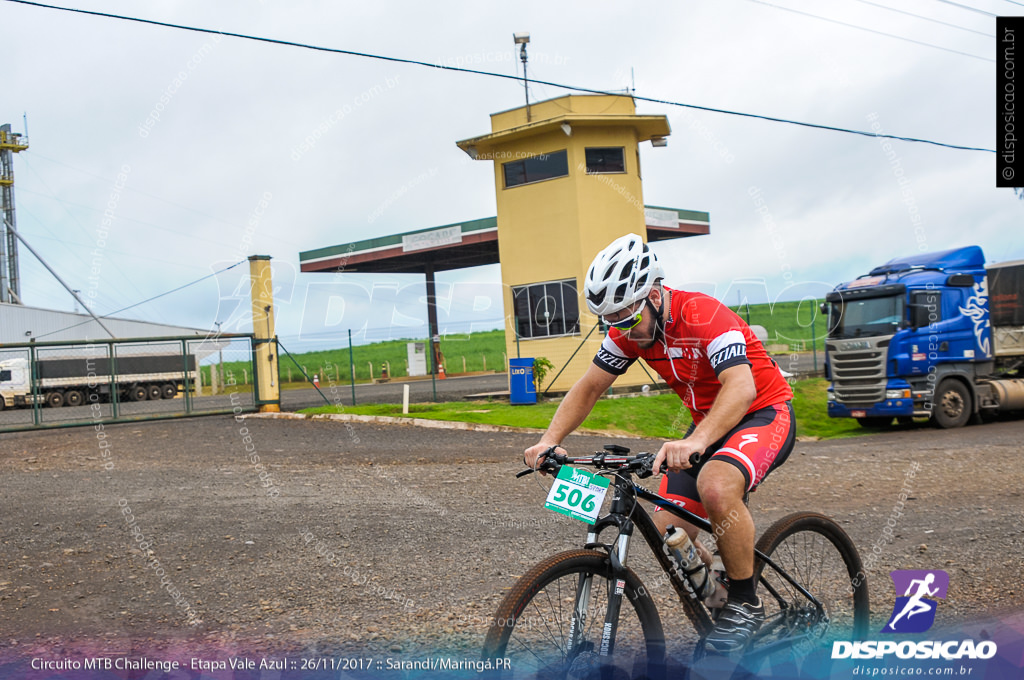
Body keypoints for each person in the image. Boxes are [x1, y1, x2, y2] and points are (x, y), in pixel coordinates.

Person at [523, 233, 796, 654]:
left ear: (653, 295)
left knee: (717, 484)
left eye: (627, 318)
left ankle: (745, 604)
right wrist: (549, 440)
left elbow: (740, 388)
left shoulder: (704, 315)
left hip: (763, 412)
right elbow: (589, 387)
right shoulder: (629, 331)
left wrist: (697, 440)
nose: (621, 329)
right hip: (710, 424)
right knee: (671, 534)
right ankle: (720, 597)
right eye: (611, 321)